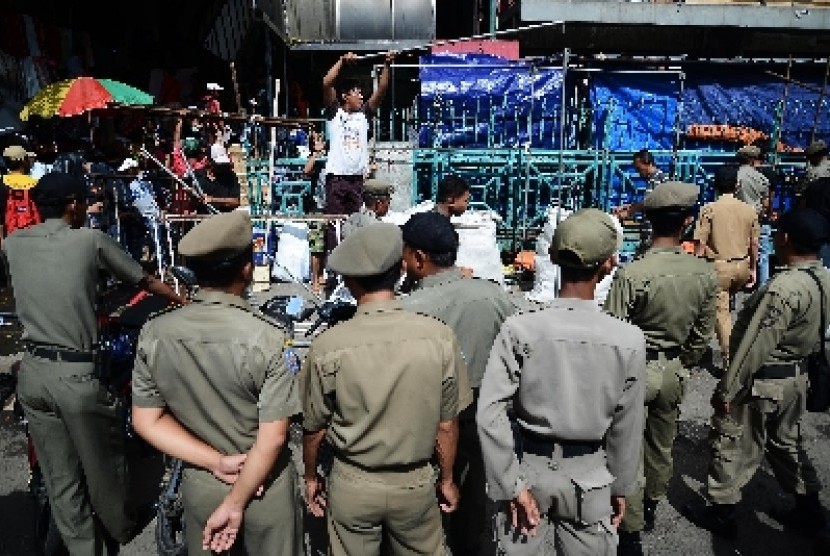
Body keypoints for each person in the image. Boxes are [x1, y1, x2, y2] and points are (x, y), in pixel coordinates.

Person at [5, 172, 185, 555]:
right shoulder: (90, 240)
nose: (90, 206)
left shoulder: (14, 243)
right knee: (106, 466)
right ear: (72, 204)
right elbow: (145, 282)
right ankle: (121, 527)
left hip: (33, 372)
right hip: (77, 375)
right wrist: (183, 301)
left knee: (60, 477)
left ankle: (85, 549)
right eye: (85, 201)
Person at [132, 210, 303, 555]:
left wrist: (213, 461)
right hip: (264, 487)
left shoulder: (156, 331)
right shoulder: (268, 336)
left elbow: (146, 420)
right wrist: (237, 501)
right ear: (246, 268)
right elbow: (272, 439)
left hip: (204, 482)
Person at [477, 208, 646, 556]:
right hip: (591, 471)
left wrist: (509, 483)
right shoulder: (628, 339)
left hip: (529, 467)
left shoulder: (520, 329)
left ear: (552, 257)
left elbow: (490, 412)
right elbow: (627, 425)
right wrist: (621, 485)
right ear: (609, 265)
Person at [300, 222, 473, 556]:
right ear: (403, 267)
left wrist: (310, 476)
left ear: (349, 281)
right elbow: (447, 424)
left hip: (353, 483)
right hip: (415, 481)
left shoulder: (329, 344)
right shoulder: (438, 336)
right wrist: (447, 479)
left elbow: (314, 428)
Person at [683, 208, 830, 540]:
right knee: (786, 442)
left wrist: (727, 390)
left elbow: (754, 347)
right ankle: (809, 509)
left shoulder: (783, 289)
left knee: (731, 442)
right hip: (796, 377)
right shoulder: (823, 277)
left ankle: (721, 511)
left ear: (786, 238)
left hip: (764, 382)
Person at [604, 181, 718, 555]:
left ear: (648, 223)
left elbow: (612, 331)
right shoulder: (703, 273)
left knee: (627, 450)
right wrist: (682, 364)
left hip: (636, 369)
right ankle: (652, 502)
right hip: (673, 368)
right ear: (686, 222)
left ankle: (630, 529)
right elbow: (703, 332)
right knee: (662, 441)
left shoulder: (634, 273)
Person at [399, 211, 514, 555]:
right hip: (484, 413)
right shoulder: (494, 296)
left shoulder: (408, 308)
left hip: (427, 417)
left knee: (423, 506)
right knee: (475, 501)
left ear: (418, 257)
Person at [321, 50, 394, 249]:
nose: (361, 96)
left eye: (362, 93)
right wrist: (341, 61)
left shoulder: (364, 116)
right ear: (345, 96)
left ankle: (353, 266)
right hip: (337, 179)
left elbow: (382, 90)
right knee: (335, 224)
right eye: (357, 93)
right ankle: (334, 267)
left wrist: (387, 64)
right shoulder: (334, 113)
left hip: (357, 180)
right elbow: (327, 83)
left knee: (355, 224)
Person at [694, 165, 760, 370]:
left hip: (719, 268)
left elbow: (700, 244)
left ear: (715, 186)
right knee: (732, 309)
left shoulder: (709, 209)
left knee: (721, 316)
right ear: (737, 185)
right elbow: (754, 244)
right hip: (742, 266)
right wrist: (753, 268)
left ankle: (730, 361)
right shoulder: (749, 210)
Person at [736, 145, 772, 286]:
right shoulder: (762, 178)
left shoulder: (735, 176)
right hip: (755, 218)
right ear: (753, 160)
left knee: (738, 253)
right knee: (761, 254)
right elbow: (766, 203)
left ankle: (738, 284)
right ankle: (762, 287)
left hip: (737, 219)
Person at [613, 148, 671, 220]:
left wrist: (630, 211)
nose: (638, 172)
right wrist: (628, 207)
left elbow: (652, 203)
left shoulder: (659, 179)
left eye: (639, 169)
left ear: (649, 164)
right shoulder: (653, 179)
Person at [1, 144, 39, 239]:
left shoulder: (2, 184)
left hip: (9, 239)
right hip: (33, 238)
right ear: (23, 161)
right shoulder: (36, 184)